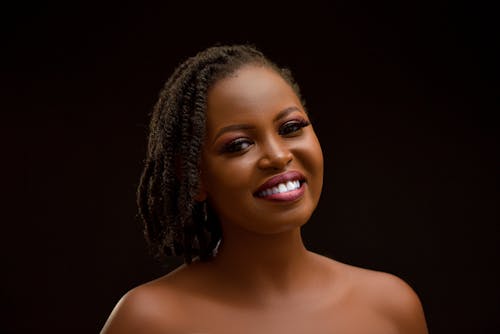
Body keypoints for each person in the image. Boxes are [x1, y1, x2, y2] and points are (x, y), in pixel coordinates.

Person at [101, 44, 428, 333]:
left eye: (291, 127)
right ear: (194, 178)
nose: (277, 156)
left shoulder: (391, 308)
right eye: (239, 145)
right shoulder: (149, 320)